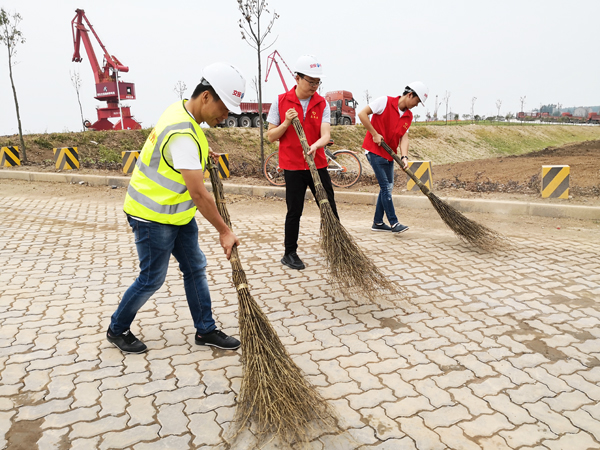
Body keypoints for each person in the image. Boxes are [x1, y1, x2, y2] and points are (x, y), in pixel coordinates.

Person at [107, 62, 246, 354]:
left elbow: (184, 150)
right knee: (152, 278)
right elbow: (198, 192)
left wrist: (202, 153)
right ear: (206, 96)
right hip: (152, 216)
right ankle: (117, 329)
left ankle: (205, 330)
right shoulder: (182, 133)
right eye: (224, 108)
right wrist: (224, 231)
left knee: (195, 268)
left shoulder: (181, 110)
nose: (226, 116)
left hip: (177, 214)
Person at [266, 55, 339, 271]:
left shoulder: (322, 102)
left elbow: (326, 134)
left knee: (329, 207)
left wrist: (317, 145)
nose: (315, 86)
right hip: (293, 166)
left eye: (318, 82)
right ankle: (290, 253)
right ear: (297, 78)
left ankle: (336, 246)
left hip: (317, 164)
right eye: (311, 81)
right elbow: (271, 136)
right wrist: (287, 122)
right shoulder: (280, 101)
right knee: (294, 210)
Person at [358, 82, 429, 234]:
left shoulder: (408, 116)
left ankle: (377, 222)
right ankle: (394, 222)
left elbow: (404, 138)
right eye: (417, 102)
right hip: (374, 151)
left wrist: (404, 156)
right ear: (410, 95)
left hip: (390, 154)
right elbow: (362, 114)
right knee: (385, 187)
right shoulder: (384, 101)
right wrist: (374, 134)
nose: (416, 105)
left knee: (387, 188)